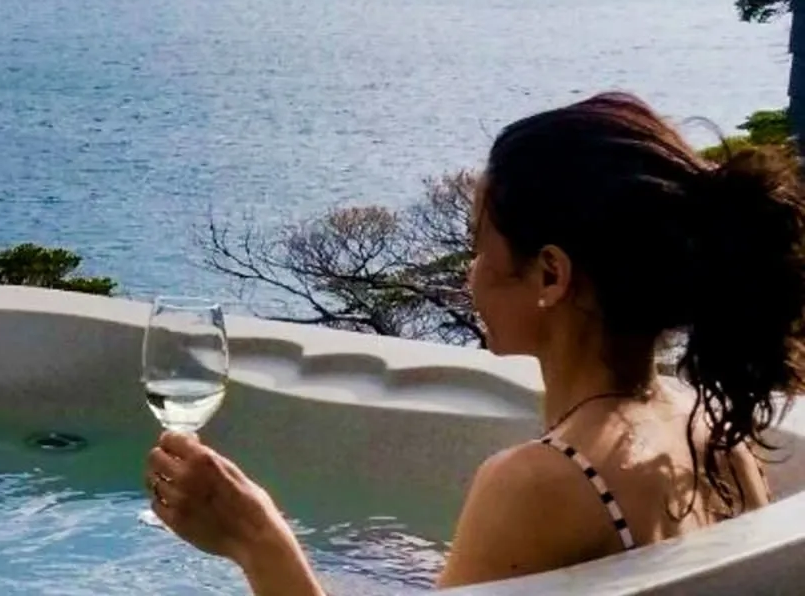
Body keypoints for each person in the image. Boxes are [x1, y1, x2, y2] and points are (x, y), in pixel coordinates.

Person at [144, 93, 805, 592]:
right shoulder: (711, 429)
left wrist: (259, 541)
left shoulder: (541, 483)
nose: (470, 274)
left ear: (550, 274)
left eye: (478, 247)